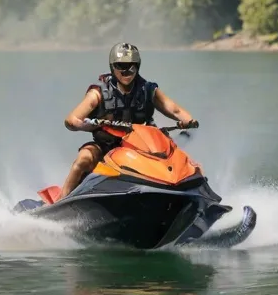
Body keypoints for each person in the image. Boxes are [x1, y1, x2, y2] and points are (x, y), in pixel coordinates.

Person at [58, 42, 198, 200]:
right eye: (121, 66)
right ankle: (61, 201)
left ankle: (189, 192)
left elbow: (174, 110)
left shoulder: (148, 90)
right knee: (83, 159)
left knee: (175, 155)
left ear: (138, 66)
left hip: (141, 149)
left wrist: (189, 120)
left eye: (131, 66)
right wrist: (91, 125)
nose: (126, 71)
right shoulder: (98, 93)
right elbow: (71, 120)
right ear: (113, 67)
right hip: (106, 148)